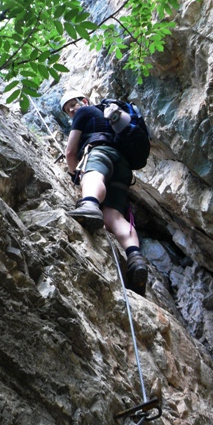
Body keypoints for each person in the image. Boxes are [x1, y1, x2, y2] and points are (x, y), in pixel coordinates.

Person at [60, 90, 148, 296]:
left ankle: (90, 204)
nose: (72, 110)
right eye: (68, 110)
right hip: (123, 168)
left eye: (73, 104)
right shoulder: (111, 119)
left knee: (92, 175)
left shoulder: (86, 113)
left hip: (99, 151)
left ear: (84, 100)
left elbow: (70, 152)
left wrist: (76, 176)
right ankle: (135, 258)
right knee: (114, 216)